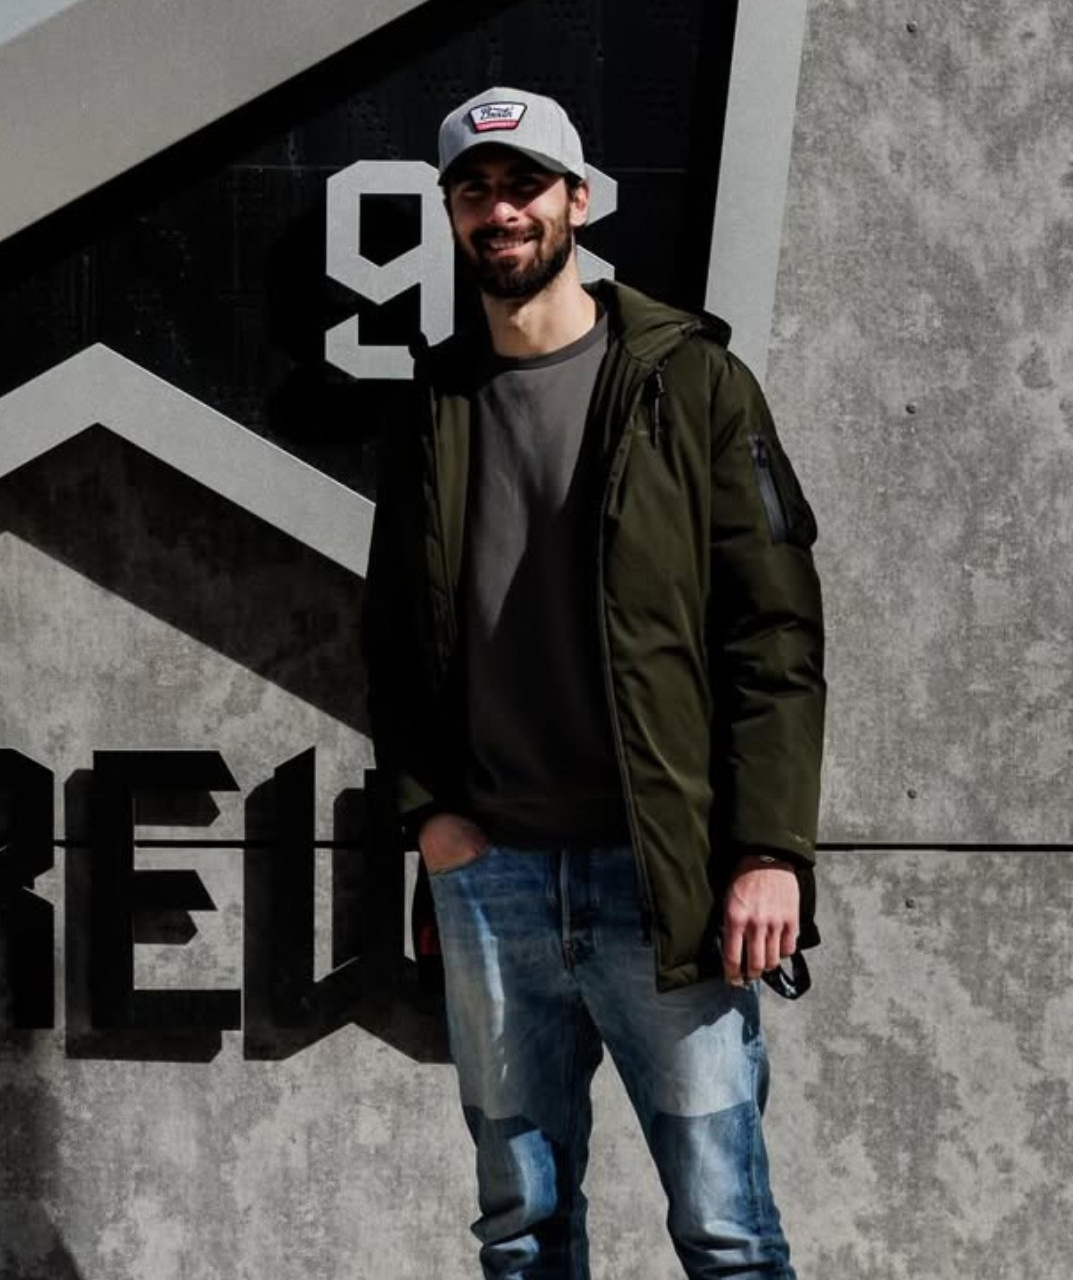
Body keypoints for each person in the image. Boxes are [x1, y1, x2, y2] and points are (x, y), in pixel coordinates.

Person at [362, 86, 824, 1278]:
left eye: (525, 185)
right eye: (475, 191)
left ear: (579, 198)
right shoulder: (433, 401)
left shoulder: (693, 382)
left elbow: (774, 631)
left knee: (726, 1230)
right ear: (452, 215)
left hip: (662, 877)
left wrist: (769, 848)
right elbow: (392, 634)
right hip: (495, 879)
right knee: (521, 1234)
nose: (501, 211)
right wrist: (431, 815)